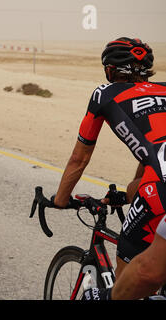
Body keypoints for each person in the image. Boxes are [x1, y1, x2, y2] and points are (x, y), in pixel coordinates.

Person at [51, 37, 166, 299]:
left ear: (111, 69)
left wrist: (60, 200)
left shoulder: (104, 94)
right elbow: (154, 150)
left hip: (160, 183)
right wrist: (129, 193)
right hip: (158, 176)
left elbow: (79, 159)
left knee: (128, 282)